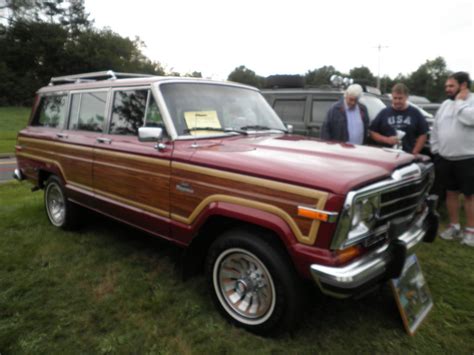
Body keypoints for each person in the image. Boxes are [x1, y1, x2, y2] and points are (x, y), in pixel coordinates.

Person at [431, 71, 474, 247]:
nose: (447, 89)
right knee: (450, 193)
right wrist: (435, 149)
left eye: (451, 86)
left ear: (463, 85)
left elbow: (470, 119)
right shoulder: (444, 105)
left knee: (470, 196)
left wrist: (460, 102)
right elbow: (436, 127)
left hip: (468, 158)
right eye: (446, 86)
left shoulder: (470, 101)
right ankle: (454, 226)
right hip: (445, 157)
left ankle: (471, 231)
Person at [369, 83, 428, 155]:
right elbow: (372, 132)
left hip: (407, 155)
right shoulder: (384, 113)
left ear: (406, 97)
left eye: (400, 98)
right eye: (395, 98)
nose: (397, 101)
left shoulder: (415, 113)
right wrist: (387, 140)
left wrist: (415, 152)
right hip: (386, 155)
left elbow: (423, 134)